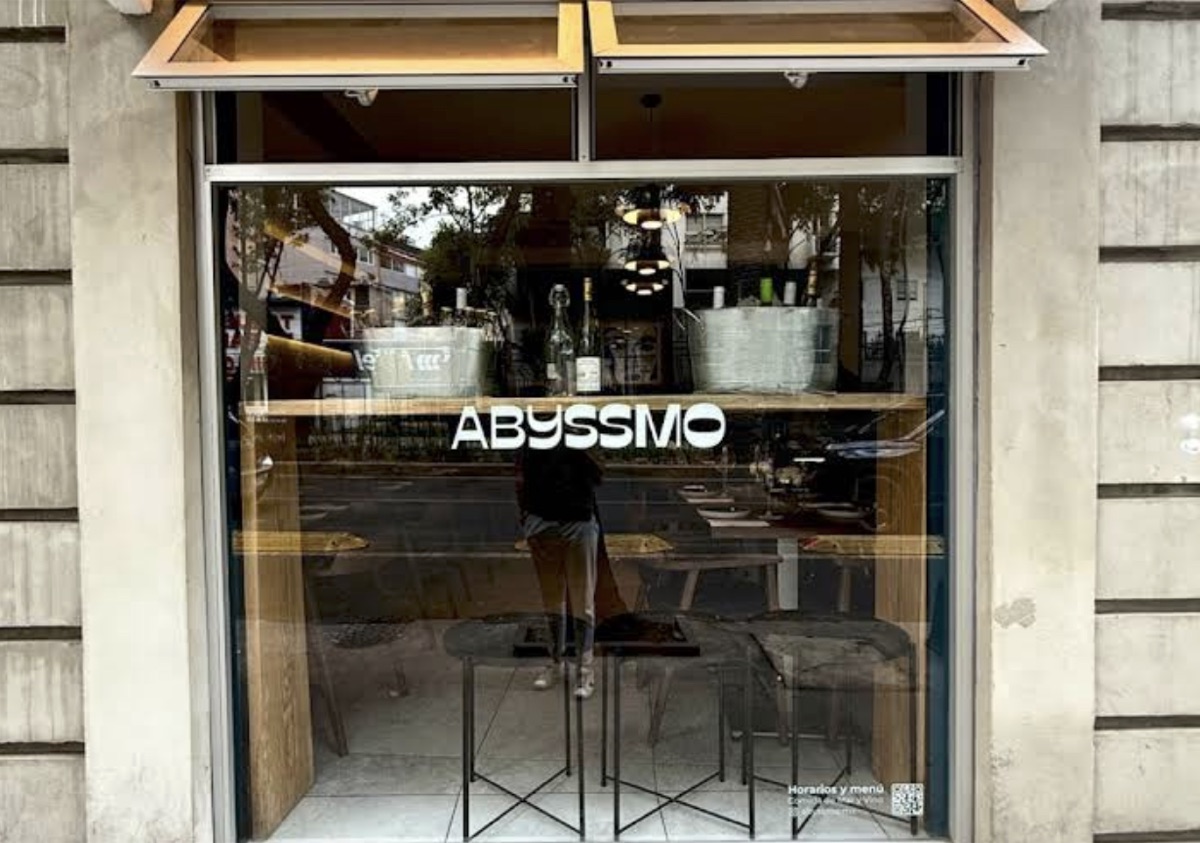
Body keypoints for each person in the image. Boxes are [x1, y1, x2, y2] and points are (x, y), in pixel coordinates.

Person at [515, 444, 603, 699]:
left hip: (576, 517)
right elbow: (522, 470)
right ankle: (557, 663)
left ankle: (584, 670)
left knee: (581, 602)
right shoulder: (537, 427)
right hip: (546, 519)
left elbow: (598, 472)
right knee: (553, 601)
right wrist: (528, 517)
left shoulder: (580, 429)